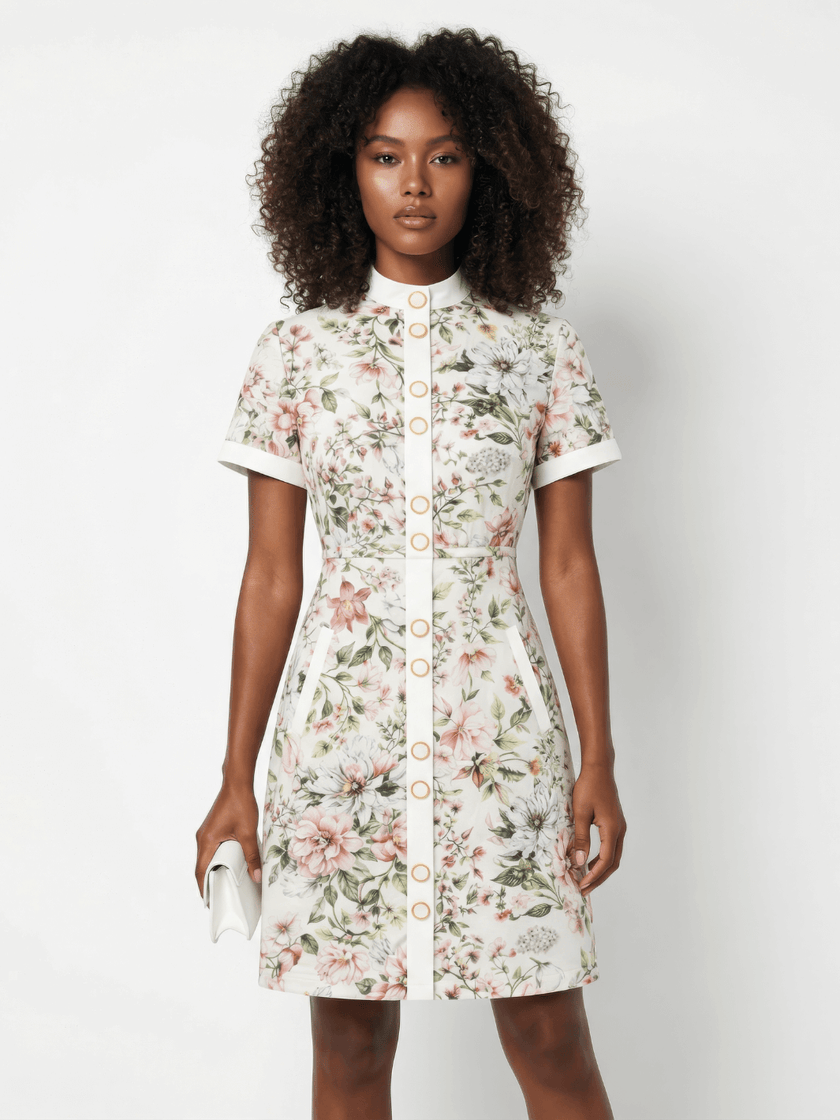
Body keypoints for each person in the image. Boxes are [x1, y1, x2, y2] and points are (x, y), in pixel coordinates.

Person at [195, 27, 627, 1120]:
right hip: (341, 747)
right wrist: (236, 777)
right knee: (347, 1054)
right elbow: (270, 578)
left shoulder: (540, 351)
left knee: (551, 1038)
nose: (416, 183)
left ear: (489, 167)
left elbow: (568, 566)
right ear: (344, 170)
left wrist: (598, 757)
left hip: (505, 743)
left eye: (443, 154)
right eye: (386, 155)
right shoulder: (296, 353)